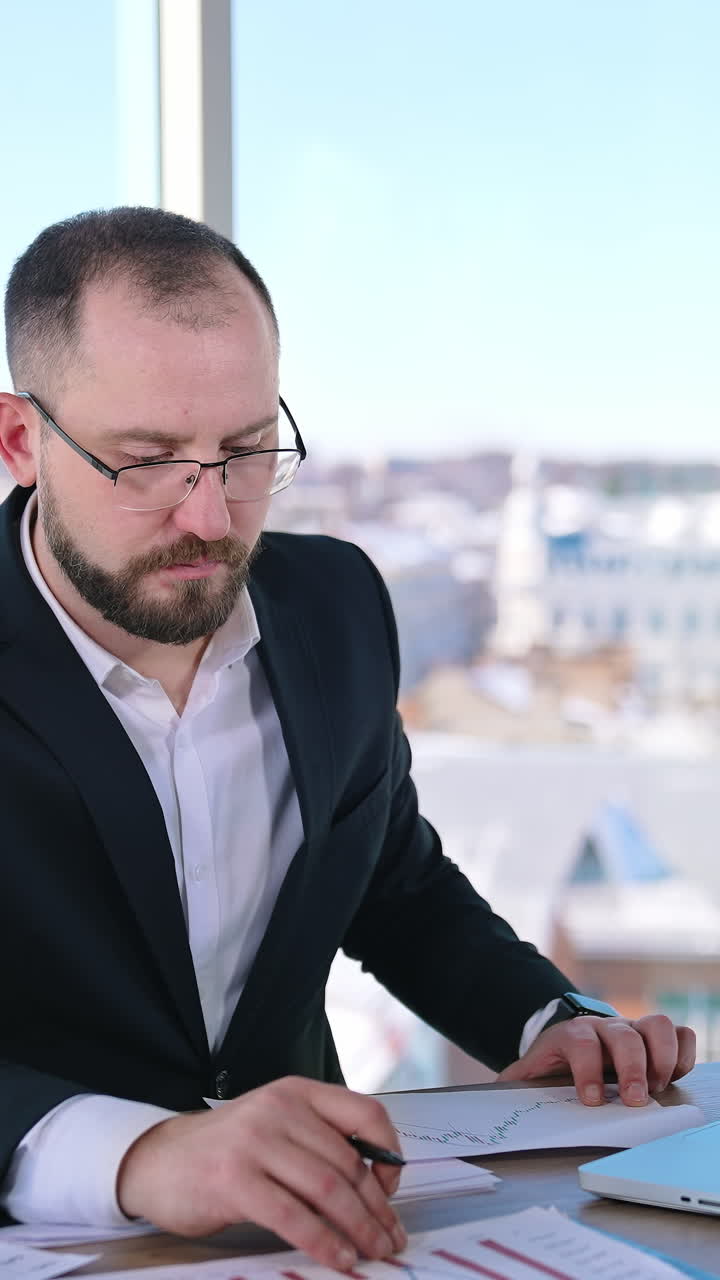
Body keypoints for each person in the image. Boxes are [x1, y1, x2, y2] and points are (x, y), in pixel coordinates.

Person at [0, 208, 695, 1269]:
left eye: (245, 451)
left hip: (330, 1235)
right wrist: (139, 1152)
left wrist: (544, 1020)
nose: (210, 517)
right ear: (21, 440)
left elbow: (395, 886)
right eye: (146, 462)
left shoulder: (337, 604)